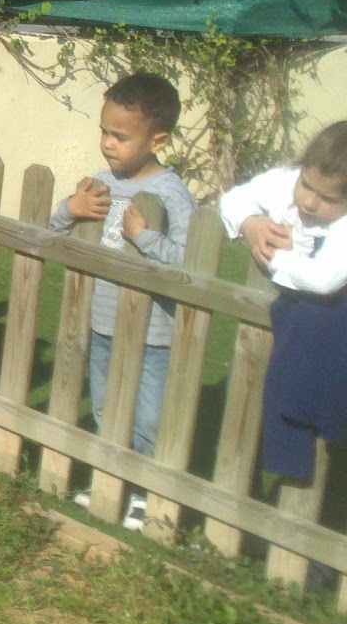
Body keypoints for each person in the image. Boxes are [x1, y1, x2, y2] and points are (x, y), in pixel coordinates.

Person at [48, 73, 195, 531]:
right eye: (104, 132)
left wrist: (144, 238)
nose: (108, 144)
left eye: (121, 136)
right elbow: (52, 235)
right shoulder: (99, 183)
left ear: (159, 140)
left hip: (154, 333)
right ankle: (110, 483)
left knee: (148, 418)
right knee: (105, 409)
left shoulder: (172, 194)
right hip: (104, 322)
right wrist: (69, 210)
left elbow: (190, 266)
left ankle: (146, 498)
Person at [220, 121, 347, 485]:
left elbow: (323, 279)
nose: (309, 201)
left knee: (310, 386)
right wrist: (251, 224)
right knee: (270, 387)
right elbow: (233, 198)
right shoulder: (284, 182)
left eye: (328, 199)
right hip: (282, 314)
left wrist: (278, 255)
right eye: (306, 185)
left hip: (327, 321)